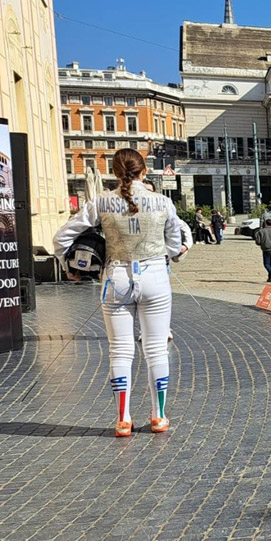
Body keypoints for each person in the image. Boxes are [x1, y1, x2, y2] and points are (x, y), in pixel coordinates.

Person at [53, 148, 185, 437]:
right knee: (156, 349)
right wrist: (177, 253)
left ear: (115, 172)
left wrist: (69, 265)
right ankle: (159, 415)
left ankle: (123, 419)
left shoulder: (101, 202)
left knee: (120, 351)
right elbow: (175, 246)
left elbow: (61, 236)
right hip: (154, 278)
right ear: (144, 171)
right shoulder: (162, 201)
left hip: (116, 279)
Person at [254, 217, 271, 282]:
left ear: (265, 223)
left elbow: (258, 242)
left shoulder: (261, 231)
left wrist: (261, 243)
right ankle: (270, 278)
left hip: (266, 249)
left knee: (266, 263)